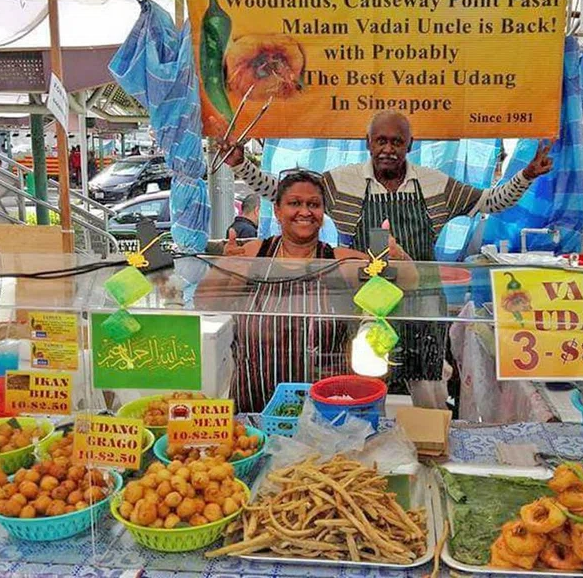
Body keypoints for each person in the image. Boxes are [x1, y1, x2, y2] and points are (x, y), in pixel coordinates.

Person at [219, 110, 553, 401]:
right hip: (367, 305)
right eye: (381, 141)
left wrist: (527, 175)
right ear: (368, 142)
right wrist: (240, 165)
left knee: (428, 393)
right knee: (368, 386)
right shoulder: (344, 181)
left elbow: (490, 202)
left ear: (411, 143)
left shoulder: (434, 184)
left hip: (421, 304)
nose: (388, 149)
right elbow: (284, 192)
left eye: (396, 141)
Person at [209, 170, 409, 413]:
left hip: (326, 413)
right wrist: (225, 267)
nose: (305, 211)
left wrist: (397, 256)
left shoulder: (340, 261)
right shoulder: (253, 254)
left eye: (313, 204)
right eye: (295, 203)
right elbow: (206, 302)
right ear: (277, 210)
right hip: (255, 410)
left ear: (323, 213)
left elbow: (407, 282)